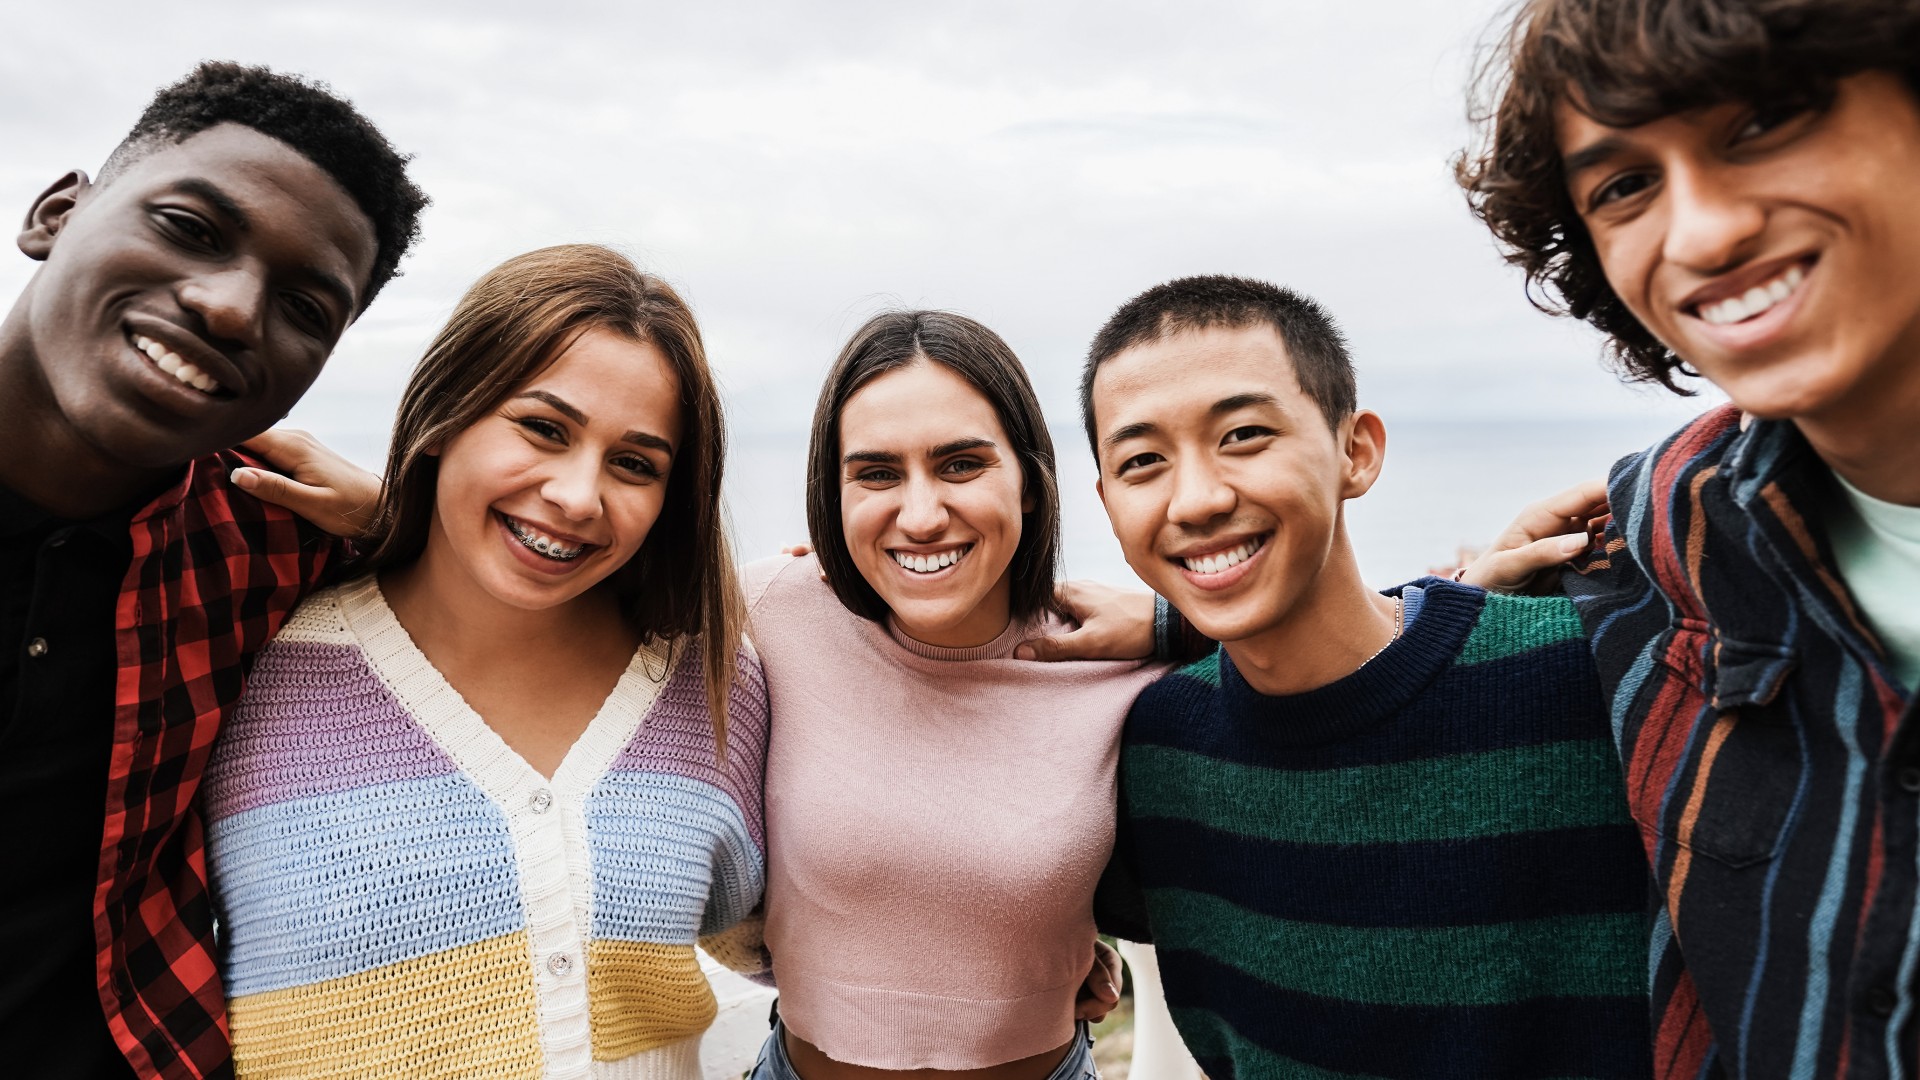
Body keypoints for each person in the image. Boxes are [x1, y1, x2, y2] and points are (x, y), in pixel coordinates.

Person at [1454, 0, 1920, 1073]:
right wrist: (1163, 619)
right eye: (1624, 186)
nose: (1704, 233)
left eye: (1762, 124)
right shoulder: (1672, 531)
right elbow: (1386, 644)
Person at [200, 244, 768, 1077]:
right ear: (447, 414)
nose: (578, 496)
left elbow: (797, 945)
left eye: (635, 464)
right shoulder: (254, 663)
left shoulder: (717, 685)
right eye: (543, 428)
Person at [1084, 275, 1653, 1078]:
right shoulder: (1163, 744)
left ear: (1357, 452)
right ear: (1107, 501)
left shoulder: (1585, 675)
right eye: (1143, 460)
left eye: (1244, 435)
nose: (1199, 498)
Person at [0, 61, 425, 1078]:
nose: (234, 309)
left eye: (307, 307)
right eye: (191, 228)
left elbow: (602, 609)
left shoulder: (272, 544)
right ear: (57, 211)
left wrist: (410, 522)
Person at [741, 311, 1161, 1080]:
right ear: (830, 495)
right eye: (875, 474)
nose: (922, 515)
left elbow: (1360, 641)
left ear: (1031, 483)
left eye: (962, 464)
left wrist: (1177, 623)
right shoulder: (772, 611)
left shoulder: (1115, 660)